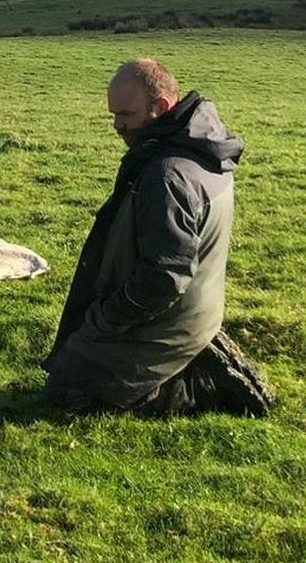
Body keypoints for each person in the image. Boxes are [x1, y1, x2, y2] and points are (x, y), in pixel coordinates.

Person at [42, 58, 273, 416]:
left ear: (161, 107)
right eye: (112, 115)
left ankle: (195, 387)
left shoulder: (167, 175)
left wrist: (106, 319)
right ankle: (186, 363)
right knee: (70, 362)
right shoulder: (203, 147)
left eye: (125, 114)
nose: (116, 125)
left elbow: (164, 278)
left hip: (171, 316)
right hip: (201, 305)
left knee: (67, 391)